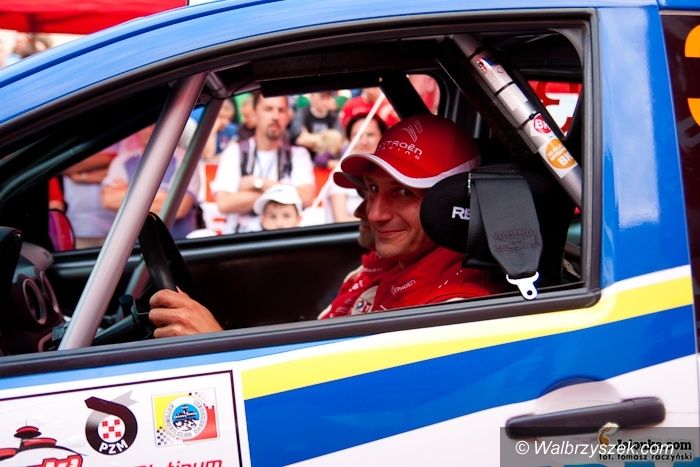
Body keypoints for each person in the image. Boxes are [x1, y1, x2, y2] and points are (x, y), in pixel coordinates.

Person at [148, 114, 502, 336]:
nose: (373, 213)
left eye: (403, 192)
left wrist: (215, 347)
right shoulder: (386, 267)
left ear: (454, 203)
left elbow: (344, 409)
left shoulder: (453, 310)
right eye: (372, 189)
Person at [211, 92, 315, 233]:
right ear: (254, 114)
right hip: (241, 238)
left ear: (288, 116)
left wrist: (257, 183)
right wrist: (283, 195)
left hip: (282, 238)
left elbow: (306, 198)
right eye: (268, 109)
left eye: (281, 110)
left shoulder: (298, 154)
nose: (275, 116)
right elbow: (224, 204)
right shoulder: (234, 151)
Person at [101, 126, 200, 240]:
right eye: (145, 126)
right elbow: (108, 200)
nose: (149, 130)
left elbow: (179, 207)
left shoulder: (184, 159)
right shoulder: (123, 160)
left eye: (155, 124)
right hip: (132, 243)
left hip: (176, 243)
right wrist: (161, 196)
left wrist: (127, 193)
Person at [327, 113, 387, 222]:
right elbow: (340, 220)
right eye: (357, 136)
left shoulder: (391, 173)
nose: (364, 142)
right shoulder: (340, 173)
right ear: (350, 140)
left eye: (370, 135)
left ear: (383, 137)